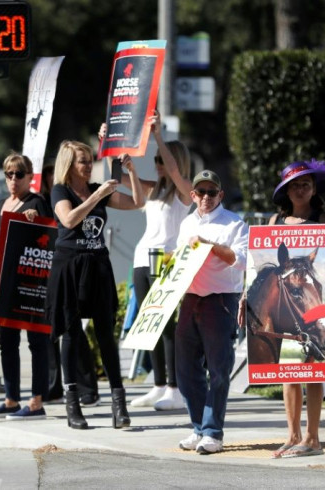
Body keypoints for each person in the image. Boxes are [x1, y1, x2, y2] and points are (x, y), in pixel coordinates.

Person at [45, 140, 143, 430]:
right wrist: (96, 196)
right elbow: (69, 218)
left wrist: (132, 173)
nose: (88, 166)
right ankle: (73, 403)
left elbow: (137, 202)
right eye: (82, 161)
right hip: (70, 266)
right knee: (72, 334)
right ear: (69, 164)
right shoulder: (60, 191)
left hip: (98, 266)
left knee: (105, 335)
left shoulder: (98, 189)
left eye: (89, 160)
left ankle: (119, 404)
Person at [101, 111, 193, 411]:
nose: (158, 164)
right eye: (155, 160)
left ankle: (175, 388)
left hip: (165, 257)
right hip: (143, 257)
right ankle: (158, 384)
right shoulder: (154, 189)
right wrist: (109, 148)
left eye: (162, 160)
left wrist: (156, 136)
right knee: (149, 323)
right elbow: (122, 182)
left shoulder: (184, 192)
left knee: (166, 324)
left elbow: (177, 173)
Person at [0, 153, 53, 420]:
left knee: (37, 341)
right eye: (9, 174)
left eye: (19, 174)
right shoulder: (1, 203)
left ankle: (37, 401)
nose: (13, 179)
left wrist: (34, 219)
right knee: (7, 343)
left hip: (30, 280)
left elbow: (48, 237)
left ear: (29, 177)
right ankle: (11, 398)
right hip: (4, 280)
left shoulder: (36, 202)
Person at [266, 158, 325, 458]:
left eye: (305, 183)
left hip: (314, 303)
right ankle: (293, 436)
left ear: (314, 188)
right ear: (286, 190)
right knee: (288, 372)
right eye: (293, 185)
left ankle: (314, 438)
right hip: (285, 306)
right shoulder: (273, 223)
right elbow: (263, 265)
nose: (299, 189)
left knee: (313, 372)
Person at [175, 169, 248, 455]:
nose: (206, 197)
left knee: (218, 370)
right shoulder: (187, 223)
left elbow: (240, 261)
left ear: (221, 195)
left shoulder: (234, 223)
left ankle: (213, 432)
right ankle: (198, 427)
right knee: (185, 370)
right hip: (190, 298)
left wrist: (210, 247)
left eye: (211, 192)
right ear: (192, 195)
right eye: (200, 192)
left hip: (220, 301)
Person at [41, 163, 100, 406]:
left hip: (67, 266)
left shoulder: (66, 194)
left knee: (71, 328)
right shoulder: (43, 198)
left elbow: (67, 221)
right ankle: (54, 385)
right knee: (53, 329)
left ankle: (85, 387)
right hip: (45, 267)